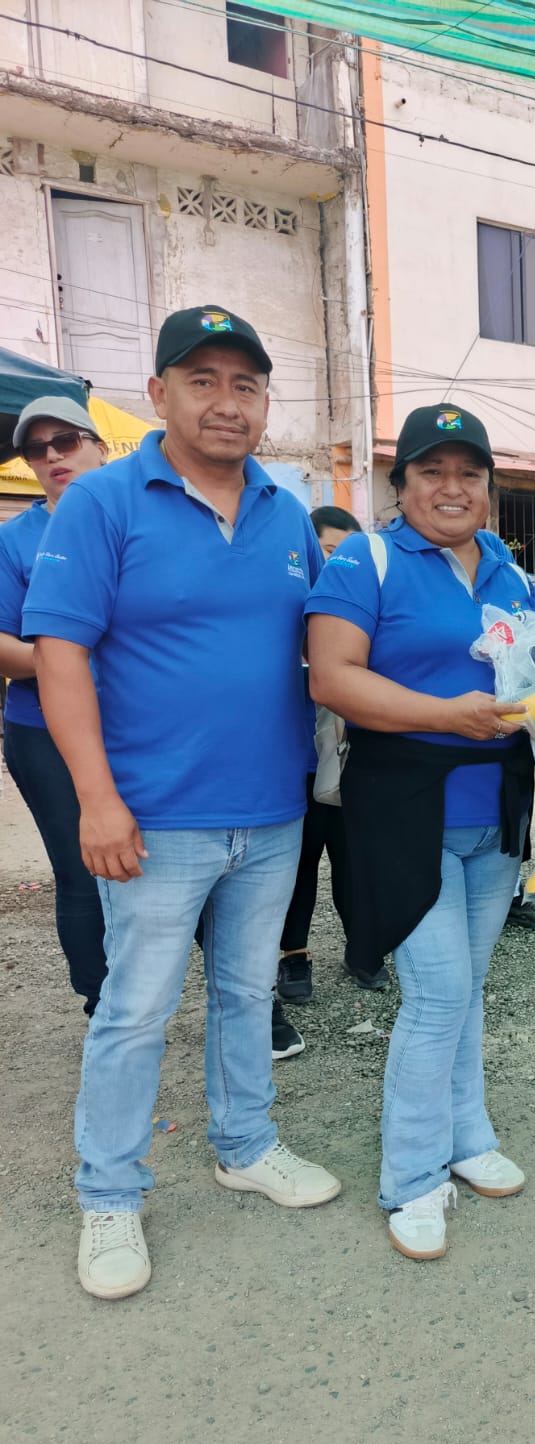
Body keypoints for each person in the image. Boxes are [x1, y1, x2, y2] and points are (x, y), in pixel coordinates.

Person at [23, 305, 341, 1302]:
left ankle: (245, 1143)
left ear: (265, 402)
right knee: (136, 1009)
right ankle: (109, 1191)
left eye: (246, 384)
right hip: (155, 816)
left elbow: (330, 641)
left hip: (272, 812)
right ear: (159, 394)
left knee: (247, 993)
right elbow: (60, 656)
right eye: (202, 380)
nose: (226, 402)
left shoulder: (286, 511)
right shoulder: (102, 501)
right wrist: (96, 799)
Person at [307, 403, 535, 1260]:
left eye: (469, 474)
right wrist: (443, 714)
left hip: (494, 810)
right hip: (405, 808)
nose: (451, 488)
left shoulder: (508, 571)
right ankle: (413, 1176)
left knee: (469, 984)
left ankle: (467, 1134)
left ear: (489, 488)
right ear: (403, 484)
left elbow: (527, 675)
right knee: (437, 993)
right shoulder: (367, 559)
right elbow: (332, 679)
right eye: (431, 471)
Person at [0, 397, 109, 1015]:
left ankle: (241, 1000)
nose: (51, 456)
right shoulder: (14, 540)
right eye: (35, 449)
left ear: (99, 446)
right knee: (82, 867)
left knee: (189, 858)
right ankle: (102, 1005)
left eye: (65, 440)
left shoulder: (141, 519)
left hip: (147, 721)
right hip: (43, 727)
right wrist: (68, 664)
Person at [275, 504, 389, 1011]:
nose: (336, 564)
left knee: (355, 861)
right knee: (298, 867)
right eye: (327, 552)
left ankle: (362, 948)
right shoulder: (286, 614)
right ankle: (294, 955)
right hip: (294, 765)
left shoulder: (364, 613)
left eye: (346, 554)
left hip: (348, 762)